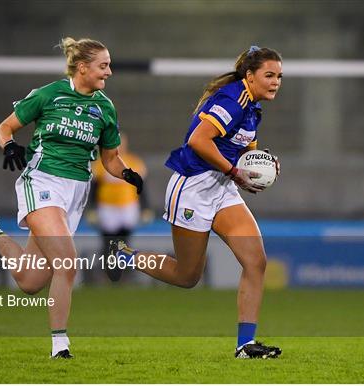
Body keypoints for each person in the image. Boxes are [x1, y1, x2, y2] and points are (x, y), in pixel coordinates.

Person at [0, 37, 143, 359]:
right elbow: (4, 128)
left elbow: (109, 158)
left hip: (76, 192)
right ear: (82, 67)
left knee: (30, 281)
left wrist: (126, 174)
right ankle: (60, 345)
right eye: (103, 65)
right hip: (43, 182)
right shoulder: (48, 95)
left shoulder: (105, 108)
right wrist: (10, 145)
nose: (109, 72)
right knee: (68, 263)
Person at [104, 46, 283, 359]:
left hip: (222, 187)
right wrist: (234, 171)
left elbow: (242, 155)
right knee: (187, 276)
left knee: (256, 261)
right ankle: (123, 255)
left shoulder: (253, 109)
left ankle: (245, 345)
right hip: (192, 187)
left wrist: (261, 166)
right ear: (250, 76)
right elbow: (198, 141)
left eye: (279, 76)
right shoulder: (233, 99)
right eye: (269, 75)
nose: (276, 81)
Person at [86, 133, 153, 274]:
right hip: (107, 206)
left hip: (128, 206)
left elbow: (142, 187)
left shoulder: (134, 162)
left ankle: (124, 271)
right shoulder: (102, 163)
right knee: (108, 240)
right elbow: (94, 187)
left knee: (125, 240)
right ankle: (108, 271)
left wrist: (145, 207)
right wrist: (91, 208)